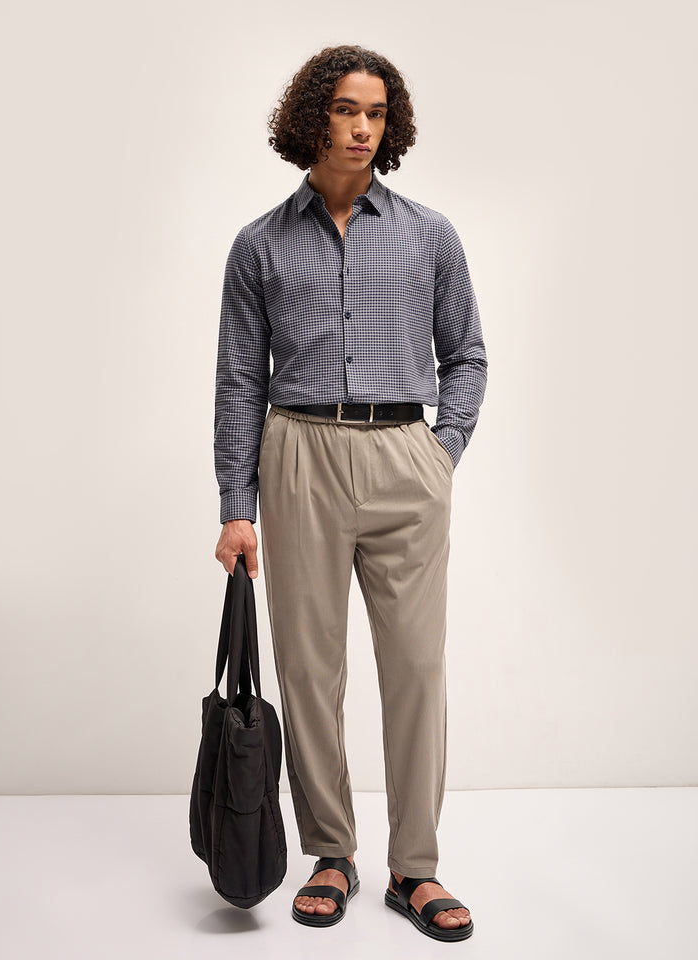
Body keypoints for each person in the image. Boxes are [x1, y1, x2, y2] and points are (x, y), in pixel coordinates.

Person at [213, 44, 487, 942]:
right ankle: (331, 853)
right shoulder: (259, 244)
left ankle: (416, 868)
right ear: (313, 119)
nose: (362, 127)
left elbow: (467, 355)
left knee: (417, 669)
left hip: (406, 455)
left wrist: (441, 453)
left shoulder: (429, 235)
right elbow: (239, 381)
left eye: (375, 112)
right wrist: (237, 507)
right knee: (308, 669)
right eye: (344, 109)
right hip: (298, 454)